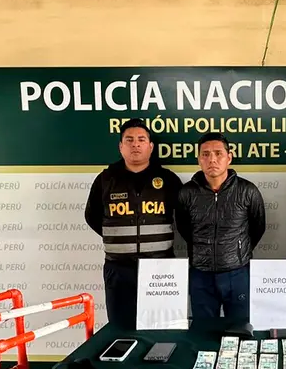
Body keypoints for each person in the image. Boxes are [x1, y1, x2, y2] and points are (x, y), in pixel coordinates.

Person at [84, 118, 181, 329]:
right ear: (121, 146)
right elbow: (92, 216)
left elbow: (183, 218)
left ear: (150, 146)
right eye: (129, 140)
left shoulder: (169, 179)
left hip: (161, 267)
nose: (135, 144)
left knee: (163, 328)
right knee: (121, 328)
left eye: (141, 139)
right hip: (119, 269)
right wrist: (121, 239)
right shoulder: (105, 179)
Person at [176, 133, 266, 320]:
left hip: (238, 272)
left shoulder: (247, 191)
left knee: (240, 329)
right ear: (199, 159)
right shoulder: (187, 192)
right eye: (206, 154)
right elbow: (184, 228)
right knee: (203, 332)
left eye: (218, 154)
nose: (212, 159)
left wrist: (237, 250)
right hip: (200, 274)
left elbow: (258, 227)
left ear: (229, 158)